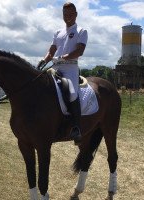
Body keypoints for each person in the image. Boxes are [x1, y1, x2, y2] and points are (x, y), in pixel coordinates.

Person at [37, 2, 88, 145]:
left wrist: (64, 57)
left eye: (71, 14)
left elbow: (80, 51)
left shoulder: (81, 31)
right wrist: (43, 60)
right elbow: (51, 51)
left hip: (70, 68)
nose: (68, 17)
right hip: (56, 67)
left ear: (76, 14)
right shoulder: (58, 32)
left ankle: (76, 128)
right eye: (65, 14)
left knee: (71, 92)